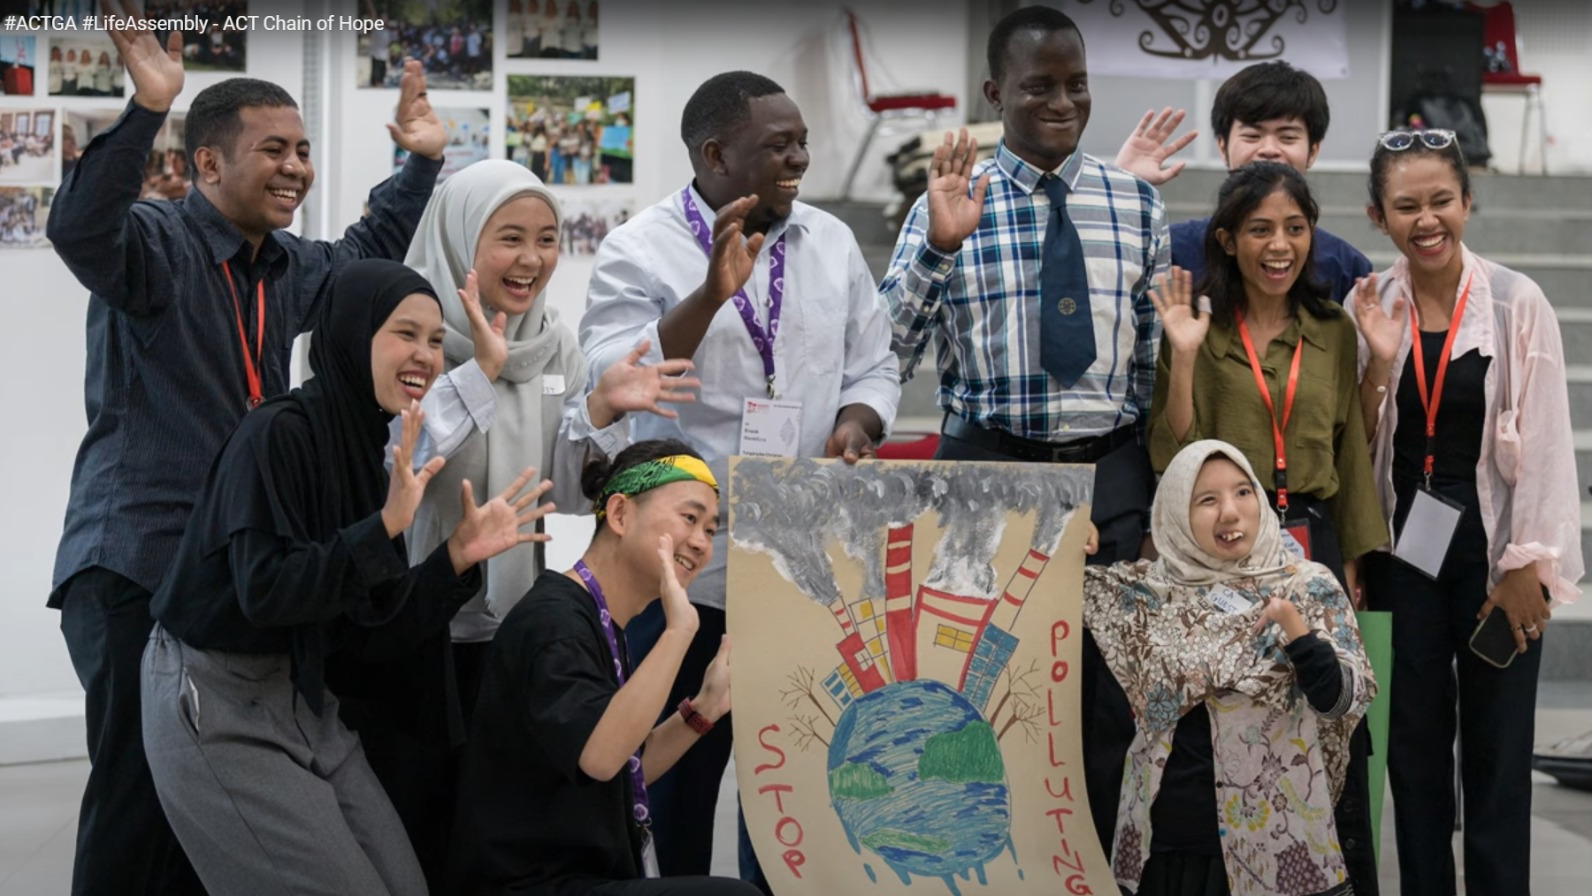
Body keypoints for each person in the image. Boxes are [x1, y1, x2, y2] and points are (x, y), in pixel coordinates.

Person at [44, 11, 447, 894]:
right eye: (274, 149)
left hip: (229, 574)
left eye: (303, 150)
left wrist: (418, 163)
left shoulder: (285, 265)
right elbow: (78, 231)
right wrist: (148, 108)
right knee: (138, 805)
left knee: (210, 821)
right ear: (208, 164)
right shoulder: (156, 242)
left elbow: (365, 259)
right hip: (134, 570)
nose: (297, 167)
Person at [580, 70, 900, 885]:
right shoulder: (640, 247)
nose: (798, 159)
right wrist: (711, 294)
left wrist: (858, 422)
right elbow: (611, 379)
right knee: (673, 794)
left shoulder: (828, 241)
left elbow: (875, 362)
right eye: (777, 145)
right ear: (715, 154)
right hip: (682, 582)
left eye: (801, 143)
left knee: (793, 797)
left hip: (804, 571)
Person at [143, 260, 551, 896]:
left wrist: (455, 559)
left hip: (301, 694)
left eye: (437, 341)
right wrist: (385, 525)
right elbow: (268, 593)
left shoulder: (369, 447)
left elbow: (370, 631)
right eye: (404, 334)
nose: (424, 355)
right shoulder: (278, 433)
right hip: (216, 692)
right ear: (350, 334)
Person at [879, 5, 1165, 857]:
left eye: (1076, 84)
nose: (1062, 102)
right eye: (1038, 86)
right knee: (984, 699)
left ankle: (1104, 872)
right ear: (995, 91)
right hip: (987, 477)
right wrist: (936, 243)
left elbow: (1149, 364)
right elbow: (887, 348)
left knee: (1112, 704)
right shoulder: (948, 202)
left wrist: (1138, 490)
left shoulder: (1134, 203)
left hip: (1109, 482)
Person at [381, 159, 700, 889]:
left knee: (510, 809)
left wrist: (598, 411)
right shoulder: (417, 336)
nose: (531, 259)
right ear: (461, 241)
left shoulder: (557, 346)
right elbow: (403, 460)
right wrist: (479, 372)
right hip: (433, 624)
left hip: (527, 628)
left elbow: (565, 477)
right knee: (430, 813)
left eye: (548, 238)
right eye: (510, 238)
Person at [1347, 128, 1583, 896]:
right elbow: (1358, 436)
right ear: (1378, 216)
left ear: (1468, 202)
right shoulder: (1372, 302)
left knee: (1498, 752)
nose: (1427, 220)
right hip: (1405, 556)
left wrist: (1531, 567)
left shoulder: (1517, 302)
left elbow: (1548, 445)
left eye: (1441, 201)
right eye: (1406, 205)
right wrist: (1379, 361)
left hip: (1497, 554)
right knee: (1413, 751)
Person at [1145, 162, 1385, 893]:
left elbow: (1350, 448)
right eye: (1259, 230)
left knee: (1321, 715)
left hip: (1314, 540)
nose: (1279, 245)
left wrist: (1357, 557)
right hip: (1230, 546)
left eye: (1295, 228)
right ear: (1227, 238)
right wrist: (1183, 357)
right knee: (1242, 717)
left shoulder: (1333, 329)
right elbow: (1174, 454)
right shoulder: (1200, 326)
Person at [450, 440, 760, 896]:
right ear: (619, 515)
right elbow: (600, 758)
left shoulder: (599, 619)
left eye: (711, 530)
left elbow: (623, 765)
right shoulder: (554, 622)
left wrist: (704, 711)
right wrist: (679, 631)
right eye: (689, 518)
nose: (700, 542)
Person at [1084, 439, 1374, 896]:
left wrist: (1298, 634)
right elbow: (1039, 584)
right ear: (1175, 513)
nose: (1230, 513)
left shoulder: (1307, 584)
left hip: (1279, 846)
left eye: (1242, 492)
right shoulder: (1143, 594)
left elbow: (1344, 701)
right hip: (1169, 846)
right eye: (1206, 500)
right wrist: (1064, 535)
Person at [1115, 60, 1373, 303]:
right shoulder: (1174, 250)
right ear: (1222, 146)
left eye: (1287, 137)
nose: (1269, 149)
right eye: (1252, 135)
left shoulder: (1346, 267)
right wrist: (1118, 188)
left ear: (1313, 151)